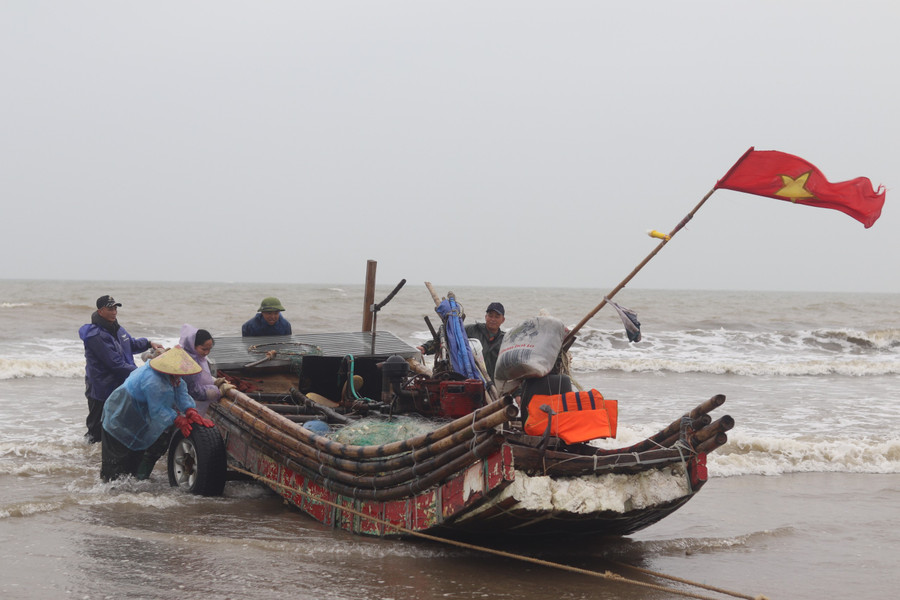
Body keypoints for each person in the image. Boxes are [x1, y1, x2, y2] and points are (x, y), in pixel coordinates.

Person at [100, 346, 214, 482]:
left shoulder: (172, 376)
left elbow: (180, 391)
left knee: (133, 462)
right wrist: (178, 419)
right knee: (115, 464)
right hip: (119, 418)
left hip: (138, 417)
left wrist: (190, 410)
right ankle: (110, 493)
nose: (180, 376)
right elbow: (158, 411)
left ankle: (133, 486)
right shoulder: (153, 380)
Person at [79, 295, 163, 443]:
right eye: (110, 309)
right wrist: (141, 373)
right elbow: (115, 364)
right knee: (96, 429)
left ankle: (109, 450)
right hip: (100, 388)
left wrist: (149, 343)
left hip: (120, 385)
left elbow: (130, 344)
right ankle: (87, 458)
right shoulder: (95, 335)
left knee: (117, 423)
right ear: (100, 311)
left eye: (115, 308)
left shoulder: (118, 329)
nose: (114, 312)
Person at [418, 301, 507, 381]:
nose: (493, 319)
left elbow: (510, 367)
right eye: (490, 315)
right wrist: (425, 348)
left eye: (497, 316)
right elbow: (447, 339)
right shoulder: (472, 330)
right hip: (471, 379)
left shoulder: (505, 339)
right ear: (485, 317)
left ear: (503, 320)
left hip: (494, 385)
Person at [179, 324, 221, 415]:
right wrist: (216, 391)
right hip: (188, 407)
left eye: (209, 349)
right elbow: (193, 391)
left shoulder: (197, 357)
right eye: (204, 349)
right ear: (192, 345)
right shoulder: (188, 363)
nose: (207, 353)